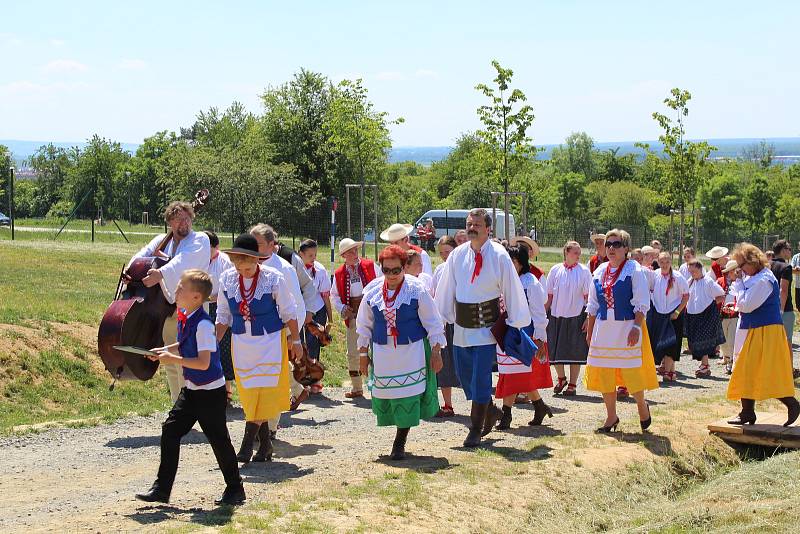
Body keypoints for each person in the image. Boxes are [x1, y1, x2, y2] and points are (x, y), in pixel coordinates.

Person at [136, 269, 244, 506]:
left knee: (218, 439)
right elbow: (186, 344)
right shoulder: (187, 315)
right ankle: (162, 490)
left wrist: (171, 359)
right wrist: (167, 350)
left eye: (181, 288)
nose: (176, 290)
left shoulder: (204, 325)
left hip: (210, 393)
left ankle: (235, 489)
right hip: (192, 390)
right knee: (170, 431)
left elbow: (204, 363)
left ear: (196, 297)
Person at [435, 208, 532, 448]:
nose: (472, 227)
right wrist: (441, 318)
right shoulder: (457, 255)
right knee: (465, 378)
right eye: (469, 223)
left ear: (488, 229)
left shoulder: (499, 255)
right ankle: (490, 410)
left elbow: (511, 287)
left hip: (487, 330)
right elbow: (447, 288)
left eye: (477, 224)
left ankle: (475, 429)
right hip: (462, 329)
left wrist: (516, 321)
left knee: (480, 379)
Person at [215, 234, 303, 463]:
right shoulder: (226, 279)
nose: (244, 266)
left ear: (258, 260)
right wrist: (212, 342)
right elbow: (223, 315)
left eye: (249, 261)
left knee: (264, 391)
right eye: (239, 261)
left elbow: (289, 310)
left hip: (270, 342)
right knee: (251, 392)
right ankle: (265, 445)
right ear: (233, 260)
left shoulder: (273, 278)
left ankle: (246, 446)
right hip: (242, 344)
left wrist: (296, 340)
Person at [356, 245, 445, 460]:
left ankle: (400, 440)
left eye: (396, 270)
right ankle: (398, 435)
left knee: (408, 395)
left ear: (405, 267)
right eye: (387, 270)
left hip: (411, 352)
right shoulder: (373, 292)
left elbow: (433, 322)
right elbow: (364, 325)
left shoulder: (416, 290)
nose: (392, 275)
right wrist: (362, 356)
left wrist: (436, 351)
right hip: (383, 353)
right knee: (389, 393)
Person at [128, 201, 211, 402]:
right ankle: (177, 405)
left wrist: (161, 273)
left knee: (188, 359)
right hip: (165, 308)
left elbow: (183, 262)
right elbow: (142, 254)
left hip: (192, 309)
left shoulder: (199, 240)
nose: (184, 222)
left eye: (187, 218)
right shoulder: (162, 241)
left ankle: (194, 405)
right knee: (171, 362)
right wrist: (131, 270)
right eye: (178, 219)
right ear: (170, 223)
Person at [585, 229, 658, 433]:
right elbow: (592, 305)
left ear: (625, 248)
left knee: (632, 372)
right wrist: (590, 332)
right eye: (608, 244)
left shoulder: (633, 270)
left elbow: (642, 302)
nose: (611, 248)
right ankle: (611, 417)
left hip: (626, 327)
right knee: (605, 373)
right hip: (604, 329)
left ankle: (642, 407)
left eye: (616, 244)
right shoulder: (600, 271)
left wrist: (636, 326)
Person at [726, 243, 800, 427]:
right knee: (746, 371)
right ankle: (747, 412)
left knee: (767, 372)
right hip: (754, 329)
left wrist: (739, 283)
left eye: (742, 266)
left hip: (765, 331)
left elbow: (746, 305)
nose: (740, 270)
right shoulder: (754, 278)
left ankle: (792, 404)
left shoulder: (763, 280)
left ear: (752, 262)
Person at [495, 245, 552, 429]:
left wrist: (540, 338)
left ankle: (506, 415)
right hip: (506, 333)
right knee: (511, 374)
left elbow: (539, 312)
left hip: (523, 334)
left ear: (520, 262)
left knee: (514, 375)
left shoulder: (530, 282)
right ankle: (539, 406)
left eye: (512, 262)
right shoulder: (502, 281)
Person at [330, 238, 378, 399]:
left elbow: (381, 282)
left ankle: (378, 385)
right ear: (343, 255)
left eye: (355, 250)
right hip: (353, 316)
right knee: (353, 352)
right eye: (350, 251)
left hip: (374, 313)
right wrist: (343, 308)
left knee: (377, 348)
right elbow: (334, 295)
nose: (354, 253)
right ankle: (357, 387)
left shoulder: (370, 265)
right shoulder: (338, 274)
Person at [546, 241, 593, 396]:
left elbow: (589, 298)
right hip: (557, 314)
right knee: (554, 350)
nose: (578, 256)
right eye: (575, 252)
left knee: (575, 351)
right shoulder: (555, 270)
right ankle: (561, 378)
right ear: (566, 252)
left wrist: (588, 317)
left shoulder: (584, 271)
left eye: (579, 253)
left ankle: (572, 384)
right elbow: (549, 296)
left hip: (576, 315)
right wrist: (543, 315)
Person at [647, 252, 689, 382]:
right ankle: (671, 371)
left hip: (673, 314)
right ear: (658, 262)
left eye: (667, 262)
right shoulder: (655, 275)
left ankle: (668, 372)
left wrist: (677, 312)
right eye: (662, 262)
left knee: (672, 343)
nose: (665, 265)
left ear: (671, 262)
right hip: (660, 313)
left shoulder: (678, 276)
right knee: (662, 343)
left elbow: (686, 295)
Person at [298, 239, 333, 394]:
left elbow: (325, 296)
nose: (313, 258)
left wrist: (330, 318)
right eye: (310, 255)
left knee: (314, 344)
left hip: (318, 310)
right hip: (298, 311)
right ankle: (299, 381)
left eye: (315, 254)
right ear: (301, 254)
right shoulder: (294, 269)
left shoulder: (320, 270)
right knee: (299, 345)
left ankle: (315, 379)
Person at [204, 230, 235, 403]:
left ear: (216, 247)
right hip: (202, 306)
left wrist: (214, 298)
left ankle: (226, 390)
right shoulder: (199, 260)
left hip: (221, 307)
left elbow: (229, 288)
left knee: (223, 348)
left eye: (207, 248)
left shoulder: (225, 261)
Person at [431, 235, 460, 416]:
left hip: (462, 322)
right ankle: (447, 404)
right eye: (441, 253)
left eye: (447, 252)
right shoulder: (440, 269)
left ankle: (481, 405)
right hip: (445, 322)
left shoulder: (463, 267)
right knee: (445, 363)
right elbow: (435, 295)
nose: (444, 256)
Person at [684, 260, 725, 378]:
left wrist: (710, 305)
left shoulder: (708, 281)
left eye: (694, 271)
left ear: (700, 269)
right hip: (692, 314)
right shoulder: (690, 282)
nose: (692, 273)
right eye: (690, 271)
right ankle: (704, 365)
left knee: (704, 340)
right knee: (694, 340)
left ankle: (705, 365)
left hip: (706, 314)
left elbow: (721, 295)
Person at [770, 240, 795, 358]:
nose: (791, 251)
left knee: (771, 342)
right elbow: (783, 290)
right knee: (787, 341)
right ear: (783, 250)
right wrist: (781, 310)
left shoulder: (767, 265)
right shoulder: (786, 267)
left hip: (768, 308)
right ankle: (789, 370)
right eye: (789, 249)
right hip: (784, 309)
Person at [718, 260, 740, 375]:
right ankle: (727, 358)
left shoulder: (741, 282)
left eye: (730, 272)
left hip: (735, 315)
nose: (728, 274)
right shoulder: (721, 281)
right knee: (724, 339)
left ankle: (732, 362)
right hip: (723, 314)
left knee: (732, 339)